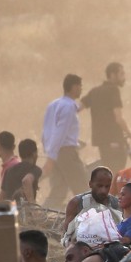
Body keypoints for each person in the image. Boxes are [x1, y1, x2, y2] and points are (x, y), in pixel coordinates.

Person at [42, 74, 87, 205]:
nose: (81, 89)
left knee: (59, 190)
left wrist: (50, 152)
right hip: (66, 153)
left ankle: (41, 216)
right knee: (83, 188)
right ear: (73, 87)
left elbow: (47, 131)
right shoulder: (69, 106)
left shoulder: (53, 104)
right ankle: (91, 221)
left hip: (56, 151)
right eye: (79, 86)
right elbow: (59, 133)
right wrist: (51, 157)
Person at [85, 62, 131, 171]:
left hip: (102, 143)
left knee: (109, 171)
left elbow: (77, 107)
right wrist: (130, 133)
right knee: (116, 172)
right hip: (114, 139)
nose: (124, 78)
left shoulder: (94, 91)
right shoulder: (113, 90)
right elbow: (118, 118)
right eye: (121, 74)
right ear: (112, 75)